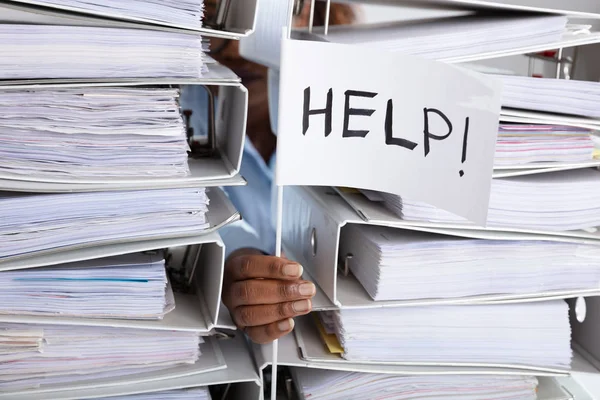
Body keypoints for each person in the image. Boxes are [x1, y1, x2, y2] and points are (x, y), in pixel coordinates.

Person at [182, 1, 357, 344]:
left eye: (275, 11)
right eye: (218, 9)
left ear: (321, 14)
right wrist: (226, 263)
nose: (236, 48)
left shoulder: (355, 116)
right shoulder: (157, 118)